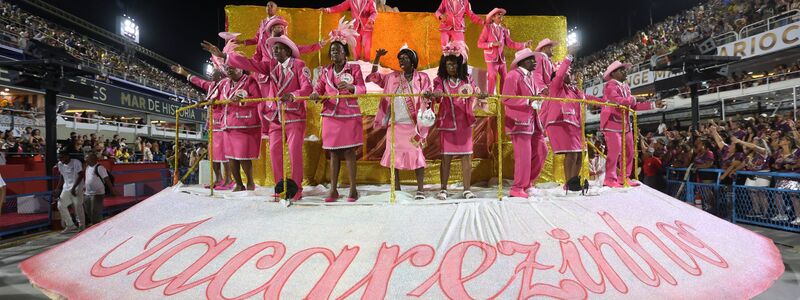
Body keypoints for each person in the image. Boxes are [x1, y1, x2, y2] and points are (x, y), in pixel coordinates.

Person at [227, 35, 312, 200]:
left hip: (294, 116)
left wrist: (293, 95)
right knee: (274, 152)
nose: (274, 51)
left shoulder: (299, 65)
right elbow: (250, 64)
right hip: (275, 117)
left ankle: (297, 189)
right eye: (273, 49)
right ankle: (280, 187)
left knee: (294, 153)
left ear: (288, 51)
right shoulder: (271, 65)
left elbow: (307, 88)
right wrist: (226, 57)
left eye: (278, 48)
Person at [309, 21, 365, 202]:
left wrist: (351, 87)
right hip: (330, 115)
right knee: (333, 153)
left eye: (338, 50)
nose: (334, 53)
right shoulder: (325, 71)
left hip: (349, 115)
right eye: (332, 50)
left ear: (345, 52)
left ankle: (353, 190)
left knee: (349, 152)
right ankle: (333, 190)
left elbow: (362, 89)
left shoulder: (354, 68)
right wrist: (315, 94)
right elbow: (318, 89)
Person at [368, 46, 432, 200]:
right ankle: (396, 188)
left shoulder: (422, 77)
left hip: (414, 125)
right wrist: (377, 58)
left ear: (413, 60)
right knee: (393, 155)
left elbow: (428, 93)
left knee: (417, 155)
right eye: (400, 59)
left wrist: (428, 96)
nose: (401, 61)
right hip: (395, 124)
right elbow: (374, 77)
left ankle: (420, 190)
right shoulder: (392, 77)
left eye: (405, 58)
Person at [428, 41, 488, 200]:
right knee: (446, 158)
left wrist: (481, 95)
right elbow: (437, 92)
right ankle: (443, 189)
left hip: (464, 124)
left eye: (454, 64)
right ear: (444, 65)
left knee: (466, 157)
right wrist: (437, 95)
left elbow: (475, 92)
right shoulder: (440, 80)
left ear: (460, 65)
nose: (452, 67)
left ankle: (467, 189)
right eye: (448, 64)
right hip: (447, 124)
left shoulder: (467, 80)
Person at [204, 39, 264, 192]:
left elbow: (258, 99)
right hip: (227, 124)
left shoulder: (250, 81)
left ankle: (250, 183)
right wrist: (213, 102)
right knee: (230, 156)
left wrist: (243, 100)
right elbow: (218, 100)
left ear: (242, 68)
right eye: (228, 68)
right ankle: (238, 184)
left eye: (233, 67)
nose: (230, 70)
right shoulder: (224, 83)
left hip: (244, 125)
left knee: (243, 156)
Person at [600, 61, 664, 188]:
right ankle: (609, 179)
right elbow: (619, 101)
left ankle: (624, 177)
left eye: (624, 70)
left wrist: (653, 105)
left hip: (625, 124)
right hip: (612, 123)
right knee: (615, 151)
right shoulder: (610, 86)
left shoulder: (626, 87)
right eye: (621, 70)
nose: (625, 72)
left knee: (629, 151)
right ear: (613, 73)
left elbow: (633, 106)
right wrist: (635, 98)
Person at [172, 60, 235, 190]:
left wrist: (213, 101)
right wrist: (184, 73)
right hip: (212, 123)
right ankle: (219, 179)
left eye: (214, 72)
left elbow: (226, 99)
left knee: (224, 153)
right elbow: (199, 82)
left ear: (221, 75)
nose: (211, 74)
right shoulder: (211, 85)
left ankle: (229, 180)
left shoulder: (226, 83)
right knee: (213, 153)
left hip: (222, 123)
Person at [502, 48, 547, 198]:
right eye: (531, 59)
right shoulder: (513, 75)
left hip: (533, 121)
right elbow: (506, 98)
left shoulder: (530, 77)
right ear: (522, 62)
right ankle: (517, 188)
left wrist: (538, 97)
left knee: (541, 151)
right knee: (524, 157)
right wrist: (528, 100)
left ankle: (527, 183)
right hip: (519, 122)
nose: (535, 62)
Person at [541, 54, 588, 192]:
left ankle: (574, 181)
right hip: (560, 122)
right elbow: (560, 75)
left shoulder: (571, 91)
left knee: (580, 154)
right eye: (567, 73)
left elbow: (583, 99)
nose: (569, 76)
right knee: (572, 153)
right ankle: (569, 183)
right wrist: (567, 60)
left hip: (574, 124)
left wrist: (605, 101)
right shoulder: (555, 86)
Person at [478, 8, 532, 95]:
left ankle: (503, 96)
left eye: (501, 15)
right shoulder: (487, 28)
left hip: (501, 59)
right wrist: (492, 44)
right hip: (491, 58)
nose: (501, 17)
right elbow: (480, 44)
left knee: (505, 77)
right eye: (498, 15)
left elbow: (511, 43)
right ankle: (491, 97)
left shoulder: (504, 30)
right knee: (492, 76)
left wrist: (524, 44)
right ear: (493, 18)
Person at [55, 151, 84, 233]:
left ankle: (82, 226)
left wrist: (74, 187)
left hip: (77, 187)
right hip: (66, 187)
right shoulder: (60, 164)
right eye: (59, 158)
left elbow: (81, 175)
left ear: (67, 156)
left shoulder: (76, 162)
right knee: (60, 205)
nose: (60, 159)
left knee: (78, 207)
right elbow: (62, 176)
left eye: (62, 157)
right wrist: (58, 188)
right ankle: (70, 225)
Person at [83, 152, 113, 227]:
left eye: (87, 159)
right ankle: (95, 225)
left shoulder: (100, 167)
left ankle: (98, 226)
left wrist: (112, 190)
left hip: (97, 193)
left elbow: (107, 179)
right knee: (88, 211)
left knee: (95, 212)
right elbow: (87, 178)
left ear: (94, 159)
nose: (85, 160)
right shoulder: (87, 167)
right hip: (87, 193)